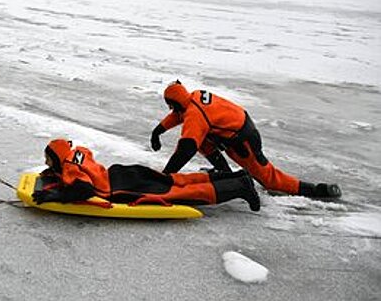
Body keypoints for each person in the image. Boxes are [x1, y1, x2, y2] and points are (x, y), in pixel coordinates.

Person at [149, 80, 341, 199]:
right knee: (202, 141)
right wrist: (158, 131)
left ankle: (317, 190)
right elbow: (178, 115)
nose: (170, 110)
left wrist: (165, 176)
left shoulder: (195, 115)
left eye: (170, 105)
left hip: (243, 139)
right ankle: (224, 173)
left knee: (269, 179)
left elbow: (186, 149)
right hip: (235, 129)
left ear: (175, 102)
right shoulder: (193, 98)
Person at [32, 139, 261, 211]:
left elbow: (84, 189)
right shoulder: (78, 153)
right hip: (125, 172)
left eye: (49, 159)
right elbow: (81, 165)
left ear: (58, 158)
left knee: (184, 192)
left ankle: (241, 187)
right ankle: (239, 176)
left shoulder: (70, 168)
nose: (46, 163)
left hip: (124, 189)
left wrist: (54, 196)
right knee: (177, 180)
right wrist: (56, 169)